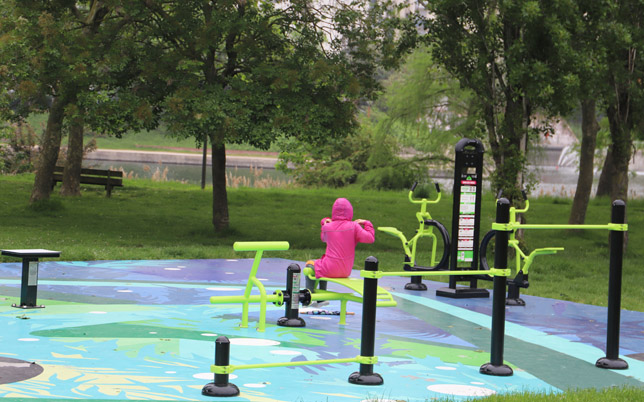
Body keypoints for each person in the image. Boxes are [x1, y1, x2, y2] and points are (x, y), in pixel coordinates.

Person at [305, 198, 375, 294]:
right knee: (321, 265)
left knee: (311, 265)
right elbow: (370, 238)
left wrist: (324, 222)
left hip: (330, 268)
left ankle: (309, 294)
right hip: (346, 270)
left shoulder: (328, 227)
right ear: (350, 211)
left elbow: (323, 238)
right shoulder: (354, 226)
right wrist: (367, 223)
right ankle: (320, 298)